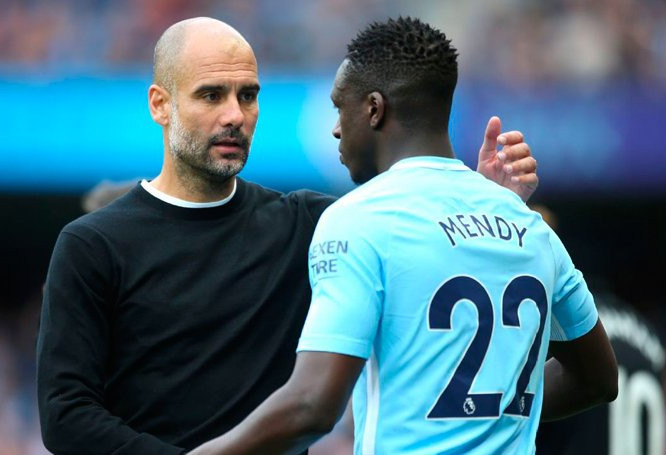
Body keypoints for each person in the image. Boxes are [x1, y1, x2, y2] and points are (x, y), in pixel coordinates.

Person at [36, 17, 539, 455]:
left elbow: (416, 225)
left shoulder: (309, 224)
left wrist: (483, 196)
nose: (235, 114)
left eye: (248, 95)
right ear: (160, 105)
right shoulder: (91, 245)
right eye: (212, 95)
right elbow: (66, 414)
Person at [189, 16, 618, 455]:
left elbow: (311, 406)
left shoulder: (358, 218)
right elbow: (599, 380)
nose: (337, 128)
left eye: (340, 107)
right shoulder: (528, 226)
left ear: (374, 109)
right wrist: (483, 409)